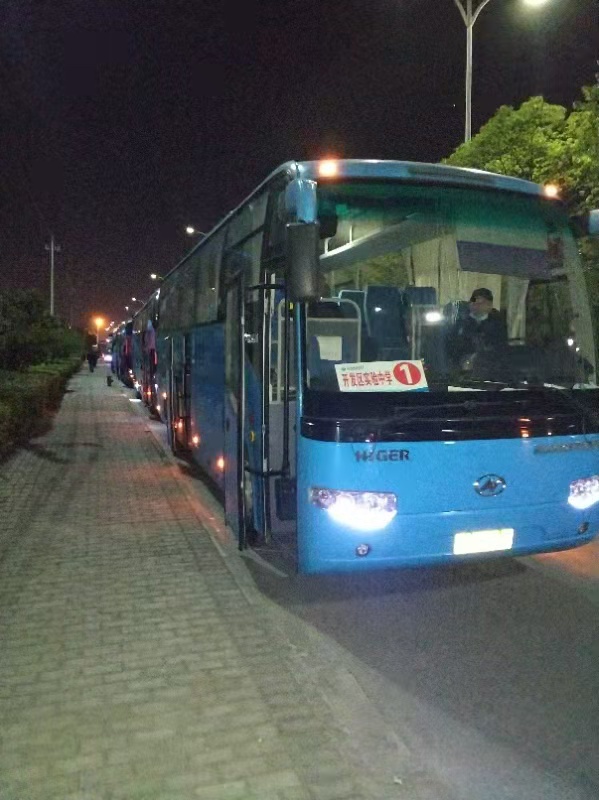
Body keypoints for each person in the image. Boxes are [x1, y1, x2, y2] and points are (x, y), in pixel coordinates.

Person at [448, 287, 507, 369]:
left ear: (489, 305)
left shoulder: (497, 323)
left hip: (490, 364)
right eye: (474, 302)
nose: (477, 305)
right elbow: (453, 345)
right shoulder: (461, 322)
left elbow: (500, 347)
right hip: (462, 364)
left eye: (482, 303)